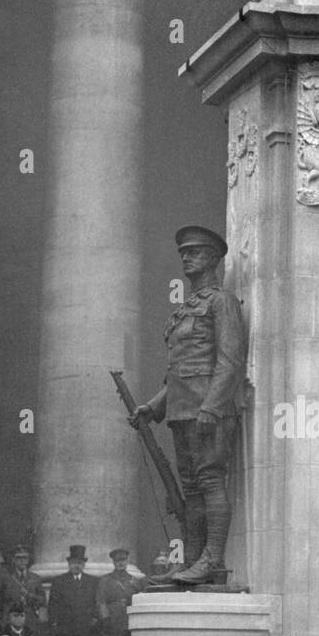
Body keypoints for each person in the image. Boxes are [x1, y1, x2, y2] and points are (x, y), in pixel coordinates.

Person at [132, 226, 248, 587]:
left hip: (208, 412)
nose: (186, 256)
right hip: (182, 411)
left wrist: (212, 407)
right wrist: (152, 407)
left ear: (213, 258)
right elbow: (178, 374)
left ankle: (213, 560)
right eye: (184, 251)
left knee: (211, 481)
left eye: (195, 251)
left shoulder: (221, 301)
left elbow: (230, 361)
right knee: (191, 489)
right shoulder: (185, 309)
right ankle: (195, 562)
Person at [47, 546, 99, 636]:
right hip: (65, 629)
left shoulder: (93, 582)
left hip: (86, 629)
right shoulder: (59, 581)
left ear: (83, 564)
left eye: (79, 563)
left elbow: (97, 603)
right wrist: (55, 627)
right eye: (73, 562)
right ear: (69, 564)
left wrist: (94, 619)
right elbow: (53, 605)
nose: (76, 566)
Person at [95, 549, 145, 636]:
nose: (120, 563)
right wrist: (106, 620)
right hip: (112, 622)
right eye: (117, 560)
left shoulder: (135, 581)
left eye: (123, 560)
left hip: (130, 621)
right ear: (113, 562)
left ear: (127, 561)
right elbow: (101, 602)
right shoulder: (105, 580)